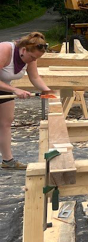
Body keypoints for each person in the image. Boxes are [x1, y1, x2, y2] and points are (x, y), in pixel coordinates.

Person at [0, 32, 52, 169]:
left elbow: (35, 77)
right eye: (32, 57)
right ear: (23, 50)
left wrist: (47, 90)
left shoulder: (31, 57)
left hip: (3, 86)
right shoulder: (5, 50)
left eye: (36, 58)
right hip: (5, 86)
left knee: (6, 123)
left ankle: (8, 161)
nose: (33, 61)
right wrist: (15, 90)